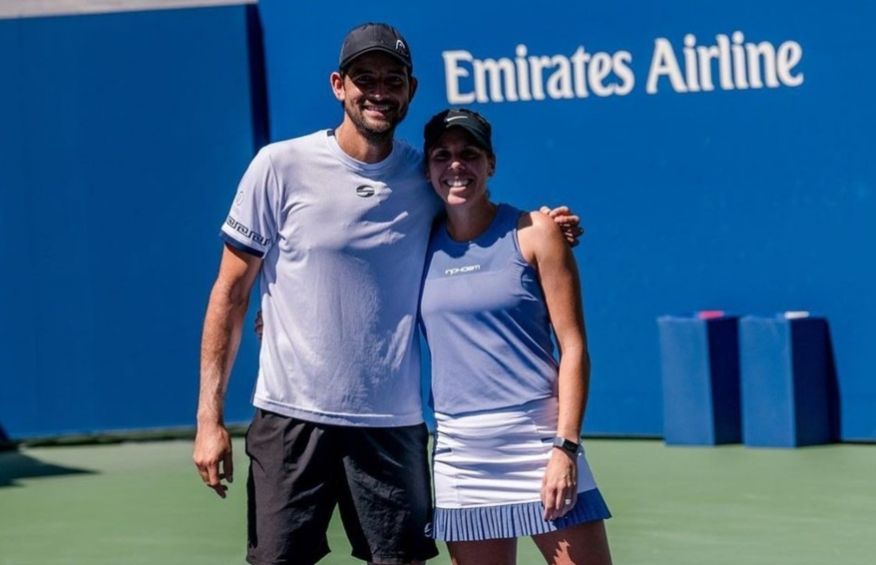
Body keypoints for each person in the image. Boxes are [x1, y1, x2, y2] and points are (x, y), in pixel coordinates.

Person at [192, 23, 583, 565]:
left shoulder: (425, 177)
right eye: (364, 78)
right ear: (338, 85)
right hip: (289, 419)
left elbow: (477, 210)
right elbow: (231, 293)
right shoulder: (278, 167)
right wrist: (208, 419)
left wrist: (545, 225)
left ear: (410, 90)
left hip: (390, 427)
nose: (378, 90)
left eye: (392, 79)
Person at [419, 108, 613, 565]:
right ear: (427, 169)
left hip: (538, 441)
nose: (456, 166)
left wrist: (565, 447)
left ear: (491, 163)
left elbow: (574, 348)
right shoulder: (414, 242)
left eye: (469, 153)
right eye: (441, 156)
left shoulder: (535, 232)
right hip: (460, 455)